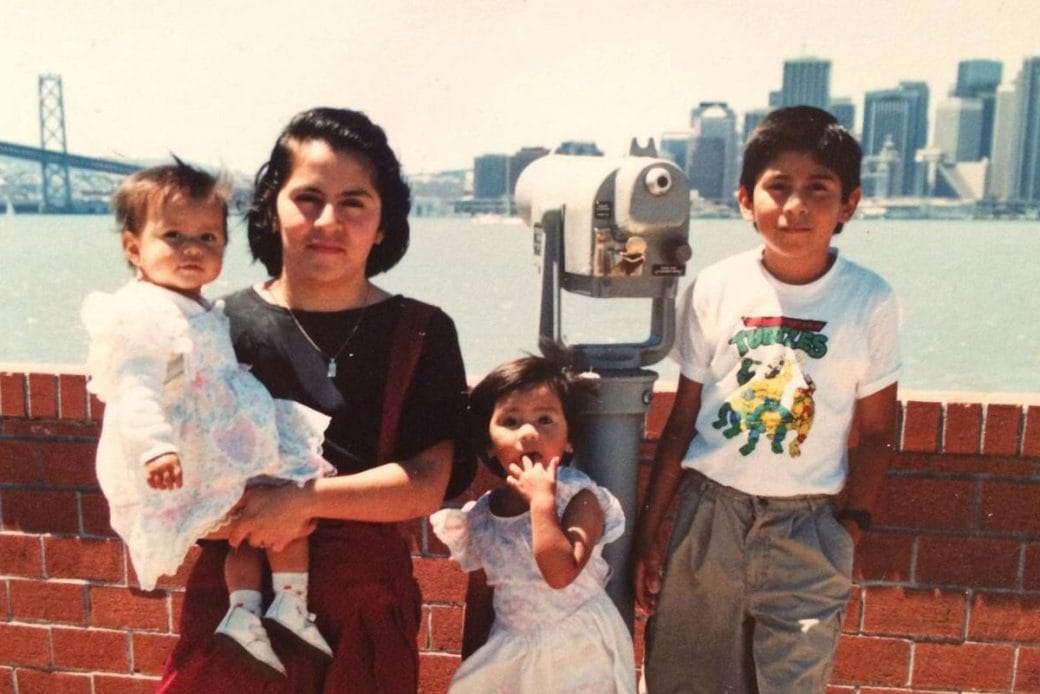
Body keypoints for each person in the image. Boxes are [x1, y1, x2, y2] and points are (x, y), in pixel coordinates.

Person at [156, 107, 473, 693]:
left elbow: (428, 480)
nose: (329, 220)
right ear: (272, 209)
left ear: (382, 224)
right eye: (308, 198)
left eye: (355, 202)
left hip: (363, 614)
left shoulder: (422, 331)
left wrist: (300, 502)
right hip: (237, 613)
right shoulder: (212, 327)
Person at [634, 106, 901, 693]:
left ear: (849, 204)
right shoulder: (716, 286)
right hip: (710, 514)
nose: (795, 206)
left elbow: (879, 430)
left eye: (818, 189)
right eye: (777, 187)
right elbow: (683, 420)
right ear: (744, 200)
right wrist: (651, 532)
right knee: (683, 679)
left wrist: (848, 527)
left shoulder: (869, 299)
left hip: (809, 525)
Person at [81, 160, 337, 680]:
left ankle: (252, 612)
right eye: (173, 236)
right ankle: (278, 603)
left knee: (255, 521)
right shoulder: (143, 314)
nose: (193, 248)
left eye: (208, 237)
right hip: (186, 457)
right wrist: (156, 448)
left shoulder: (196, 307)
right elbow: (135, 389)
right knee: (275, 509)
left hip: (220, 449)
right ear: (134, 249)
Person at [431, 356, 636, 693]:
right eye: (511, 421)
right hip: (513, 652)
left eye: (545, 419)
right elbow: (481, 602)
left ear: (569, 438)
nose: (529, 433)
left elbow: (560, 574)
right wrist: (474, 664)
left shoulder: (580, 498)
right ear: (488, 443)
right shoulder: (481, 517)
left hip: (579, 653)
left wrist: (542, 503)